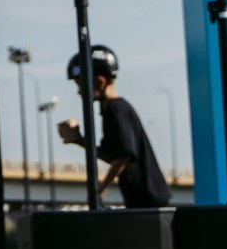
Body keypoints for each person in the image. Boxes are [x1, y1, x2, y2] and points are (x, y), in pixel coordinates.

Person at [58, 45, 174, 210]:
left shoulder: (116, 109)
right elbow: (114, 156)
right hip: (141, 200)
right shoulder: (111, 109)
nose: (78, 92)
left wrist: (100, 189)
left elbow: (124, 156)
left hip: (148, 201)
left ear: (99, 82)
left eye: (80, 85)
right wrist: (79, 140)